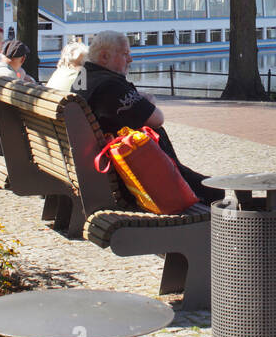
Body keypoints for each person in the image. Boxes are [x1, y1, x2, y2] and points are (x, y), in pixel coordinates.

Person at [81, 30, 220, 205]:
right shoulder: (109, 86)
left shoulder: (85, 76)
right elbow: (156, 119)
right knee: (216, 192)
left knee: (209, 186)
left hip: (97, 168)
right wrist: (148, 100)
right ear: (104, 56)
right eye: (125, 54)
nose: (130, 60)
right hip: (129, 176)